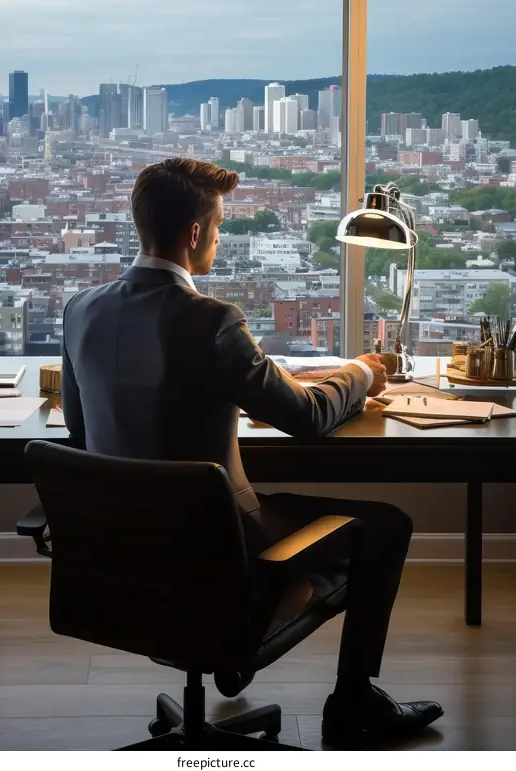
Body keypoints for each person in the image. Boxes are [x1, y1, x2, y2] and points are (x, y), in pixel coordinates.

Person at [62, 157, 442, 746]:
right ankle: (353, 705)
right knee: (386, 525)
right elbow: (309, 416)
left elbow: (83, 439)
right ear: (194, 235)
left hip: (125, 557)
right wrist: (364, 373)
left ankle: (221, 644)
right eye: (217, 228)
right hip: (217, 553)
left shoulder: (80, 310)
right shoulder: (213, 321)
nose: (218, 239)